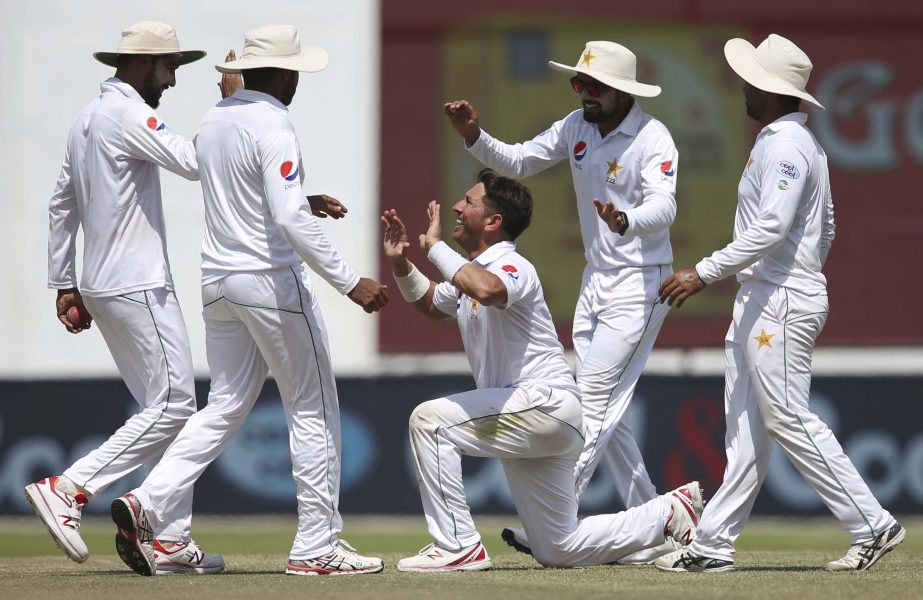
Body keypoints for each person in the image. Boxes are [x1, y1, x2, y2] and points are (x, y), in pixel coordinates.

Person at [108, 24, 389, 577]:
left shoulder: (214, 120)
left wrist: (302, 201)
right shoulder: (275, 123)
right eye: (297, 74)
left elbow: (243, 196)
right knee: (313, 407)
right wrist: (349, 280)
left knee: (227, 404)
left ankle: (149, 500)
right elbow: (285, 218)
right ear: (284, 74)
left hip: (218, 284)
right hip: (269, 283)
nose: (297, 83)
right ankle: (317, 547)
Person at [654, 34, 905, 573]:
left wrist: (705, 271)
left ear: (768, 90)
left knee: (786, 415)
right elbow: (827, 226)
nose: (742, 87)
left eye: (749, 80)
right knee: (745, 427)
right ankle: (713, 545)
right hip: (765, 292)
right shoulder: (787, 142)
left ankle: (873, 523)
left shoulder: (786, 146)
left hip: (781, 297)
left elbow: (772, 225)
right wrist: (792, 267)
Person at [382, 168, 702, 572]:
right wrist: (400, 265)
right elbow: (431, 304)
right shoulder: (469, 273)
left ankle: (457, 544)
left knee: (428, 420)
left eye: (469, 202)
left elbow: (488, 290)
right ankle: (670, 512)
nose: (457, 208)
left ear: (494, 221)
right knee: (559, 548)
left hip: (543, 406)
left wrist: (435, 248)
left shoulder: (513, 266)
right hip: (529, 418)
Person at [445, 40, 679, 562]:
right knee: (607, 416)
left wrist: (627, 220)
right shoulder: (576, 127)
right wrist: (474, 137)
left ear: (621, 91)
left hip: (641, 281)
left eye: (593, 87)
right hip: (597, 279)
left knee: (592, 399)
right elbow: (521, 160)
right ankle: (659, 527)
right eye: (579, 84)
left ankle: (556, 519)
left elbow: (664, 206)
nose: (584, 94)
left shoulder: (652, 137)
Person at [28, 21, 231, 574]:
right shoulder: (127, 112)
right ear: (143, 65)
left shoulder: (87, 118)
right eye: (169, 68)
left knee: (162, 410)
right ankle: (68, 487)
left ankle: (167, 538)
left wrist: (65, 281)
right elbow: (194, 162)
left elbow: (60, 204)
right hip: (138, 282)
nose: (171, 81)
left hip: (103, 282)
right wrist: (230, 113)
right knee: (176, 405)